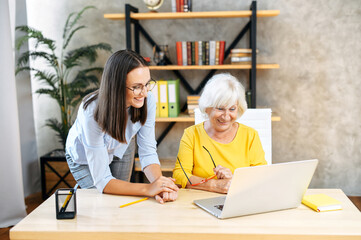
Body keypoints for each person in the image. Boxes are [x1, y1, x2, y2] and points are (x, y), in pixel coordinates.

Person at [65, 49, 178, 203]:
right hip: (84, 157)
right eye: (137, 87)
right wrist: (148, 188)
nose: (144, 93)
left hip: (121, 144)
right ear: (116, 85)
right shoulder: (91, 111)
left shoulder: (148, 100)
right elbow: (103, 182)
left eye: (147, 84)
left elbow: (147, 151)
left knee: (121, 198)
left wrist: (161, 185)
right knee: (101, 200)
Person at [173, 73, 267, 194]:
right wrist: (213, 185)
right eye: (220, 108)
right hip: (197, 202)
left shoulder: (251, 135)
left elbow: (262, 176)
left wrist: (234, 180)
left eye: (232, 109)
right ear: (207, 108)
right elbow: (180, 175)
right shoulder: (191, 134)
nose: (226, 116)